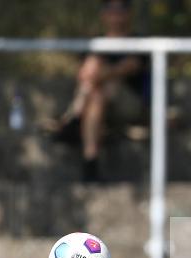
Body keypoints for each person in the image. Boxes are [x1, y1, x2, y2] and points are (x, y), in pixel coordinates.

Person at [44, 0, 149, 181]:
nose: (116, 14)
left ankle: (75, 117)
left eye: (120, 8)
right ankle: (90, 158)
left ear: (128, 13)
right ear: (103, 13)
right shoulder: (95, 43)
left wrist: (100, 74)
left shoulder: (138, 42)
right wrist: (97, 73)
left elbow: (129, 67)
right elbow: (84, 73)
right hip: (97, 103)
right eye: (111, 8)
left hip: (129, 106)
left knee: (105, 82)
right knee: (97, 92)